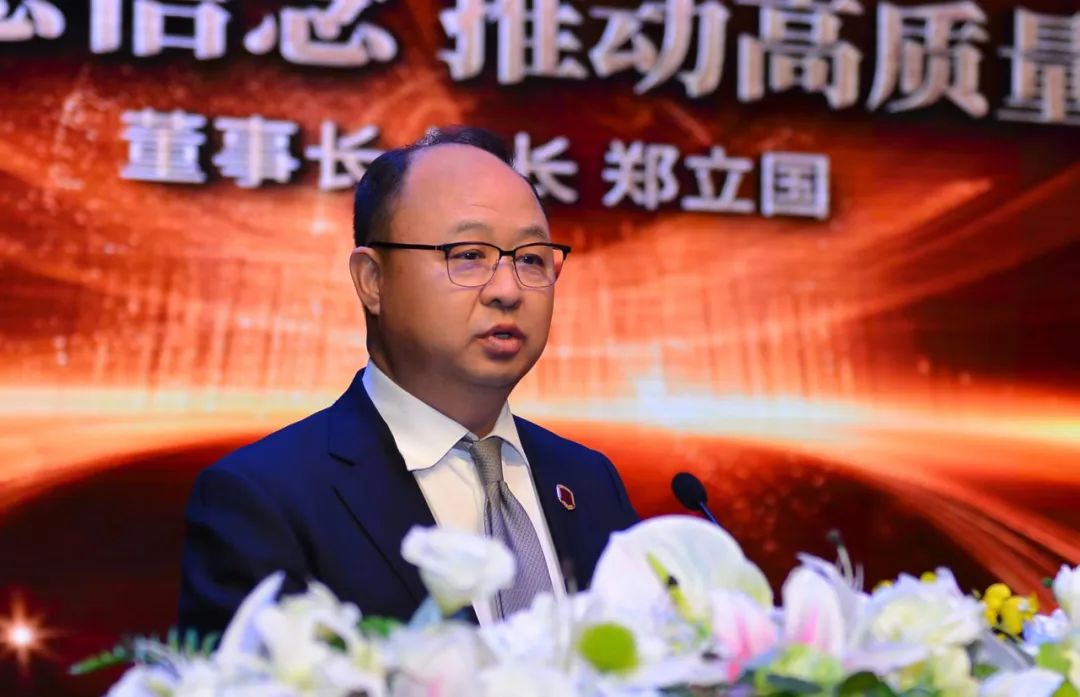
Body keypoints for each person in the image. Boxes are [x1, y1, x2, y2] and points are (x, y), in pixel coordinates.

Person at [177, 126, 638, 634]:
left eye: (530, 258)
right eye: (468, 255)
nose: (507, 290)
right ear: (372, 281)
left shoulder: (591, 482)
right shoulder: (266, 500)